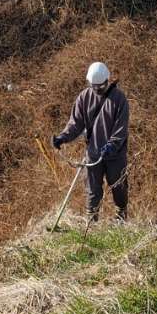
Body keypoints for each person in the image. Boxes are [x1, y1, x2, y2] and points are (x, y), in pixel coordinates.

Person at [52, 61, 129, 222]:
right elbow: (75, 123)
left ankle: (121, 216)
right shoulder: (84, 97)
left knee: (119, 188)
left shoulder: (119, 99)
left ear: (108, 81)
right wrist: (62, 137)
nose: (97, 90)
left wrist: (112, 145)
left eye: (100, 87)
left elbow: (121, 129)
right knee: (92, 191)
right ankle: (91, 224)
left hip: (115, 155)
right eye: (94, 86)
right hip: (93, 154)